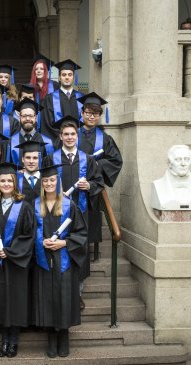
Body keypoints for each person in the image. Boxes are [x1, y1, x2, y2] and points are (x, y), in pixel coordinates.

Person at [42, 116, 104, 310]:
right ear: (60, 137)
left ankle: (76, 294)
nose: (69, 137)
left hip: (80, 213)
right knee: (55, 252)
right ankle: (55, 294)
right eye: (66, 134)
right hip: (55, 212)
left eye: (73, 134)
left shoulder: (88, 159)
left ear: (77, 136)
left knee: (78, 251)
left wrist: (90, 185)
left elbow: (99, 183)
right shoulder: (51, 158)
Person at [32, 164, 88, 358]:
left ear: (58, 181)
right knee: (47, 299)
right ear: (41, 183)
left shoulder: (68, 205)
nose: (49, 183)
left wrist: (64, 242)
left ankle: (64, 335)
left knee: (63, 298)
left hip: (64, 260)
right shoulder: (34, 205)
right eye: (45, 180)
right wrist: (40, 242)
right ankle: (51, 337)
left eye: (52, 180)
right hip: (43, 260)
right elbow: (27, 231)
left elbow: (81, 233)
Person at [0, 162, 35, 358]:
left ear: (15, 183)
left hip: (16, 262)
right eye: (3, 180)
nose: (6, 183)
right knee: (0, 298)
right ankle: (4, 339)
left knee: (15, 299)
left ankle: (13, 340)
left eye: (9, 180)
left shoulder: (24, 206)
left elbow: (28, 235)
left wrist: (11, 251)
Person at [76, 92, 123, 259]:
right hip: (73, 183)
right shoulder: (72, 134)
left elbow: (116, 160)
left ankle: (91, 249)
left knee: (92, 216)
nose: (91, 116)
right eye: (88, 113)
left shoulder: (104, 138)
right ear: (81, 113)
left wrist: (97, 165)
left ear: (99, 116)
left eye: (95, 114)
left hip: (93, 186)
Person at [40, 59, 84, 140]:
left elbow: (84, 121)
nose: (67, 77)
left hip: (78, 140)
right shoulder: (50, 98)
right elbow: (47, 123)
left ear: (73, 77)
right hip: (57, 141)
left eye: (70, 75)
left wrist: (75, 136)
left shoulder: (81, 97)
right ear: (59, 78)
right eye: (64, 75)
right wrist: (63, 136)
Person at [8, 98, 54, 167]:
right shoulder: (11, 141)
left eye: (30, 116)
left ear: (35, 118)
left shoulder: (47, 142)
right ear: (19, 117)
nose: (27, 119)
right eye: (24, 116)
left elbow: (49, 168)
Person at [14, 140, 43, 206]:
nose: (31, 161)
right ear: (22, 159)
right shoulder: (16, 179)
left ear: (40, 159)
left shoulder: (46, 179)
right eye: (28, 158)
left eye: (35, 158)